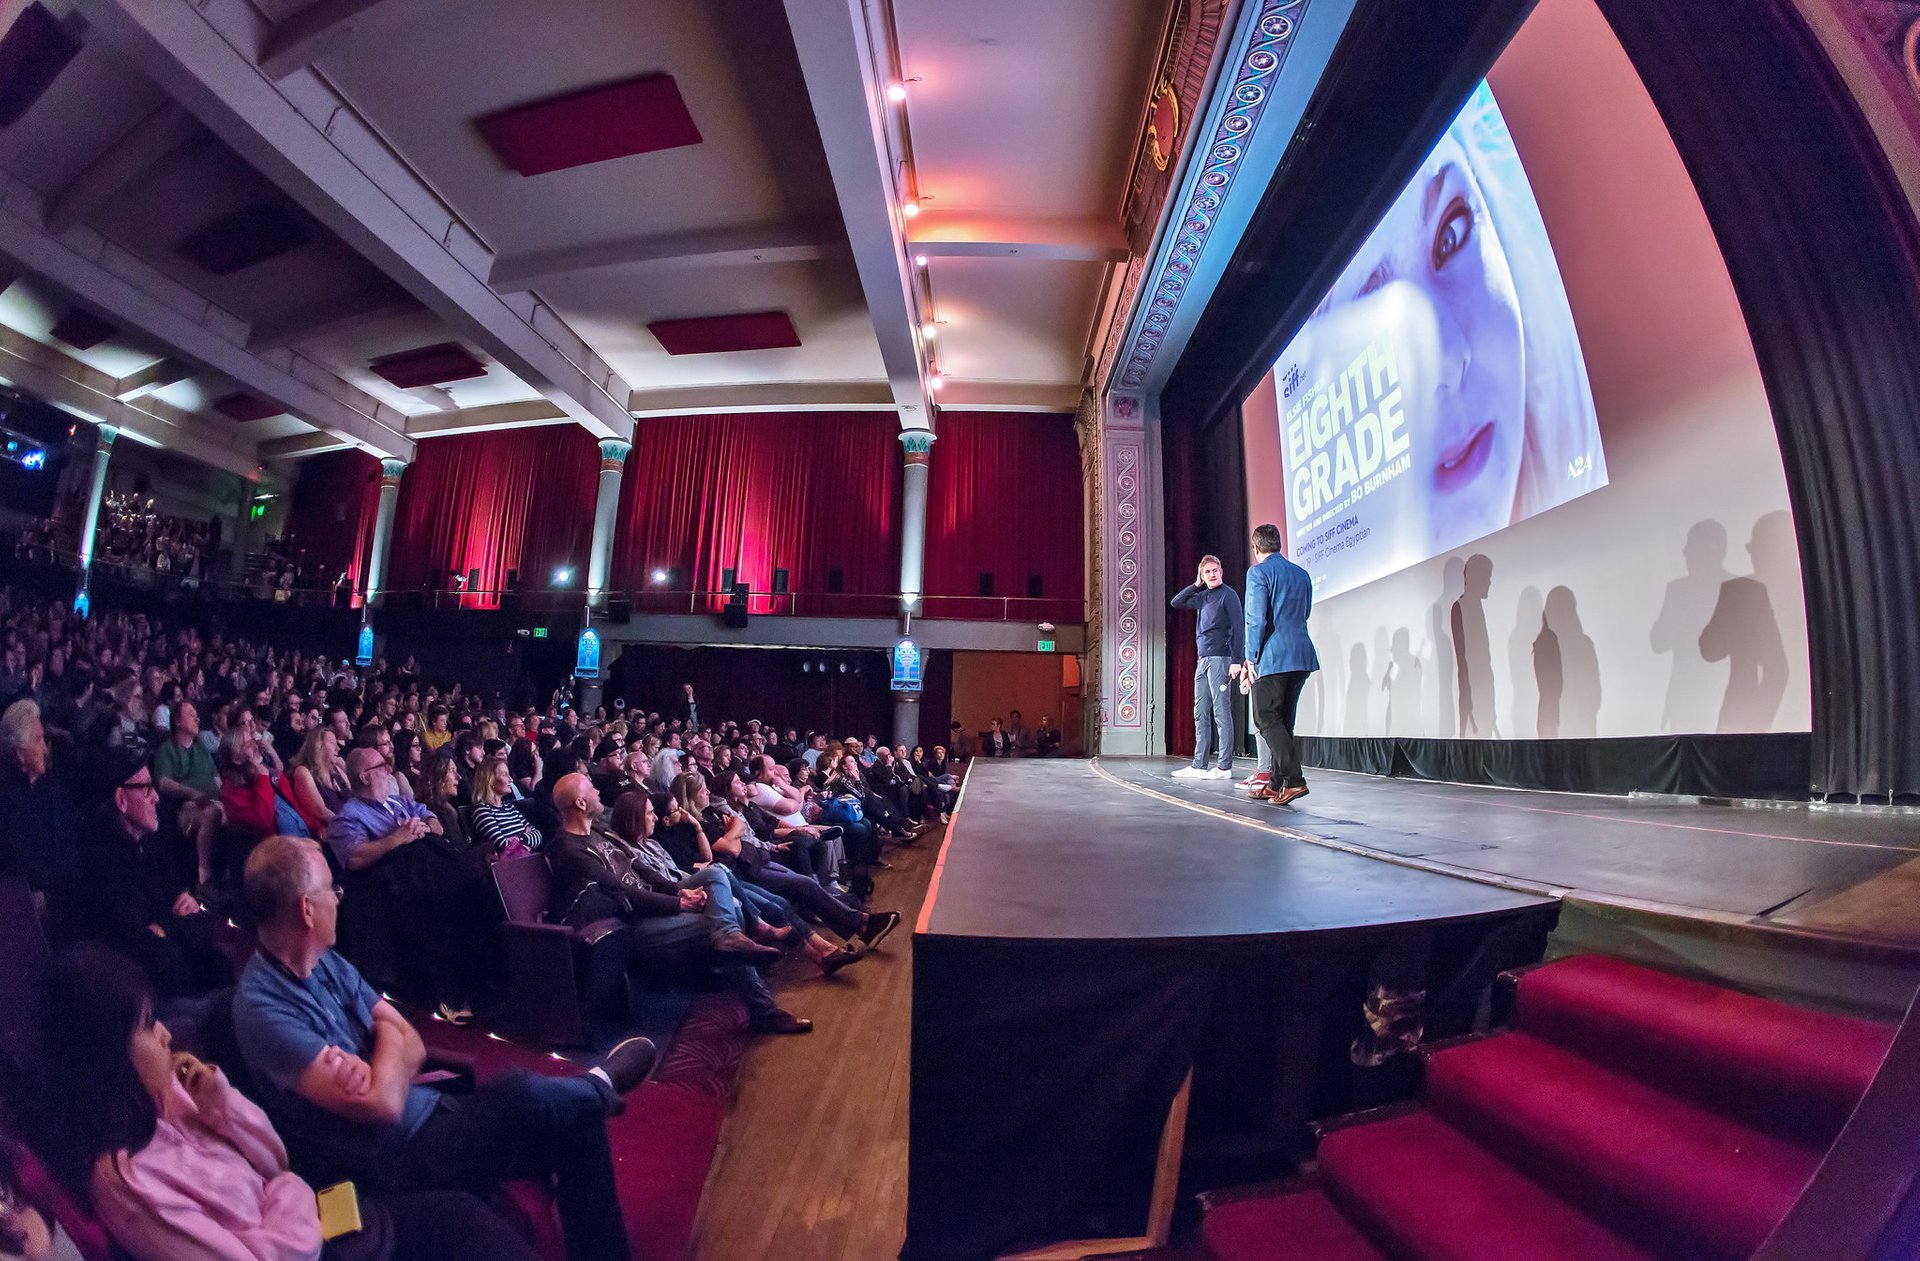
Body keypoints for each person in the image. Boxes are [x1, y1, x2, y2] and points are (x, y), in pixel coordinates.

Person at [229, 836, 653, 1261]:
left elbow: (409, 1038)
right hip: (389, 1161)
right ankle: (599, 1082)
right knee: (518, 1092)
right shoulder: (264, 1010)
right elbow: (382, 1105)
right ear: (306, 909)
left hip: (429, 1110)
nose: (340, 900)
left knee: (576, 1118)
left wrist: (385, 1050)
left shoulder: (326, 962)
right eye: (332, 891)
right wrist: (389, 1044)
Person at [32, 944, 539, 1261]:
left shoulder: (170, 1099)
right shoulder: (124, 1178)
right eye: (146, 1026)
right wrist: (288, 1195)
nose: (166, 1035)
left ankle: (594, 1088)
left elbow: (275, 1161)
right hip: (312, 1239)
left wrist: (221, 1105)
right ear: (104, 1052)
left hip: (316, 1218)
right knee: (476, 1197)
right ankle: (596, 1086)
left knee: (462, 1213)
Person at [546, 776, 816, 1035]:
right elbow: (620, 889)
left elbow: (642, 870)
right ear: (580, 803)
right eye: (591, 789)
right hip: (625, 926)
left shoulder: (598, 834)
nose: (598, 792)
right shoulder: (569, 849)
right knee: (723, 919)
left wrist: (680, 891)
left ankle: (737, 954)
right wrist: (678, 904)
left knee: (717, 878)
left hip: (650, 911)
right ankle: (763, 1010)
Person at [59, 748, 231, 1006]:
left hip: (166, 934)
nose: (156, 798)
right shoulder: (97, 854)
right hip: (128, 965)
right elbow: (129, 928)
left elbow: (170, 892)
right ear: (121, 799)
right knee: (170, 962)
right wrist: (167, 922)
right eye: (147, 789)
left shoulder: (151, 837)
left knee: (215, 955)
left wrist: (184, 898)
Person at [1242, 523, 1320, 805]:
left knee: (1265, 718)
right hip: (1301, 654)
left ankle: (1295, 780)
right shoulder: (1302, 574)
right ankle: (1276, 783)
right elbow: (1306, 611)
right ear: (1279, 545)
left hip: (1273, 656)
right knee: (1284, 721)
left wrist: (1250, 657)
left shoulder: (1258, 573)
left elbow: (1256, 619)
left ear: (1256, 548)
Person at [1171, 554, 1245, 779]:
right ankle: (1199, 764)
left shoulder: (1228, 595)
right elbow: (1177, 602)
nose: (1212, 574)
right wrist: (1195, 584)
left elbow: (1239, 628)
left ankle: (1224, 767)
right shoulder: (1202, 596)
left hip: (1220, 659)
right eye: (1207, 572)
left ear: (1221, 572)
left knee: (1221, 712)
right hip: (1202, 660)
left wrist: (1236, 660)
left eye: (1215, 570)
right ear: (1202, 575)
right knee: (1200, 712)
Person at [150, 701, 227, 896]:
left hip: (213, 800)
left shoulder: (203, 751)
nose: (197, 717)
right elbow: (164, 782)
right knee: (213, 812)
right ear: (177, 721)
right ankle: (203, 879)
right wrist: (194, 794)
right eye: (191, 714)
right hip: (187, 807)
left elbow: (218, 782)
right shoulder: (166, 749)